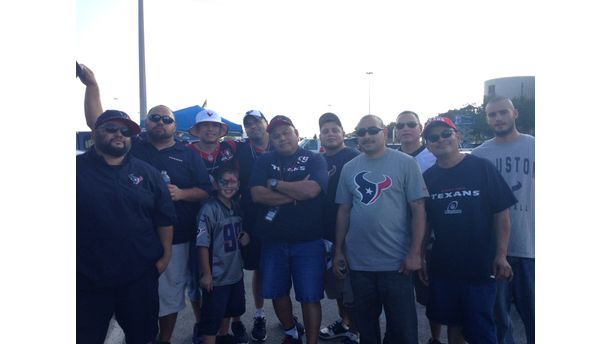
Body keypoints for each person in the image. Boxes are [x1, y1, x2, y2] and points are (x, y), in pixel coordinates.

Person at [79, 64, 212, 344]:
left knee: (168, 298)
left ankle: (163, 340)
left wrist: (182, 194)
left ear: (176, 126)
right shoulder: (131, 142)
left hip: (170, 241)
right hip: (103, 257)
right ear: (146, 123)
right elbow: (100, 123)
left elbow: (205, 190)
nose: (161, 123)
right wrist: (93, 86)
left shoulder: (188, 155)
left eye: (167, 119)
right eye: (155, 118)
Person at [77, 110, 176, 344]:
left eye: (126, 131)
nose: (119, 134)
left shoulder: (147, 173)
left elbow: (164, 218)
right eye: (111, 129)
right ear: (95, 131)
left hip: (138, 278)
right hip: (87, 280)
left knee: (142, 337)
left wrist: (165, 256)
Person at [420, 116, 517, 344]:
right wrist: (422, 255)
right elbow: (425, 222)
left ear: (458, 136)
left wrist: (501, 255)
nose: (440, 140)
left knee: (481, 328)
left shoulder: (482, 168)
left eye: (446, 134)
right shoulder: (428, 178)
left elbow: (501, 215)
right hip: (445, 265)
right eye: (434, 137)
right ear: (428, 144)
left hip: (480, 266)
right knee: (454, 323)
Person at [333, 114, 428, 344]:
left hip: (397, 265)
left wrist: (415, 253)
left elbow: (418, 208)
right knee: (367, 331)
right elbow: (343, 211)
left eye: (372, 130)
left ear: (384, 132)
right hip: (360, 265)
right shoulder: (349, 168)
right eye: (361, 132)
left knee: (403, 332)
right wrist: (338, 251)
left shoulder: (406, 163)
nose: (366, 136)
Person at [250, 115, 329, 344]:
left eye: (286, 133)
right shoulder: (264, 161)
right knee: (276, 292)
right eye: (276, 135)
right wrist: (295, 195)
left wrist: (276, 184)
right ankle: (291, 331)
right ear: (271, 140)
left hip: (309, 241)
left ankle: (311, 341)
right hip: (273, 240)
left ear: (297, 134)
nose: (282, 138)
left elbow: (312, 190)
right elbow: (257, 194)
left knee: (310, 296)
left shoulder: (314, 159)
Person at [471, 96, 535, 344]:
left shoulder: (537, 147)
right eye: (492, 114)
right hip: (495, 251)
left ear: (515, 113)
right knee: (499, 320)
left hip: (532, 248)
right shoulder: (478, 155)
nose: (498, 118)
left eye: (503, 112)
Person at [393, 110, 444, 344]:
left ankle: (434, 338)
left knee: (431, 296)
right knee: (398, 298)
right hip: (395, 238)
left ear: (420, 128)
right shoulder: (390, 158)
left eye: (410, 124)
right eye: (400, 125)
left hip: (429, 238)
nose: (405, 129)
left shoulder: (434, 157)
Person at [316, 113, 360, 344]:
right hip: (325, 232)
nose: (330, 134)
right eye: (325, 130)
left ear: (343, 132)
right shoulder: (318, 160)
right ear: (320, 136)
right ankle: (344, 322)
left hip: (350, 231)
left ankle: (355, 328)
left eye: (335, 129)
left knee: (351, 286)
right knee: (336, 285)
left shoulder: (354, 157)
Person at [196, 167, 251, 344]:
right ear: (216, 184)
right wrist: (206, 274)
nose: (228, 186)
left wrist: (245, 237)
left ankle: (223, 336)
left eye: (232, 182)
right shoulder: (209, 209)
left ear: (239, 184)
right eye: (224, 182)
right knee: (212, 317)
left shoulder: (236, 206)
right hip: (216, 276)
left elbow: (239, 234)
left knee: (228, 309)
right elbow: (202, 243)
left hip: (234, 272)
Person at [234, 110, 273, 342]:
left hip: (276, 215)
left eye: (256, 122)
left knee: (268, 267)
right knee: (240, 266)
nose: (253, 127)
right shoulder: (239, 148)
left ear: (265, 123)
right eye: (248, 124)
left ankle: (269, 315)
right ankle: (242, 318)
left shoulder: (279, 145)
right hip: (246, 215)